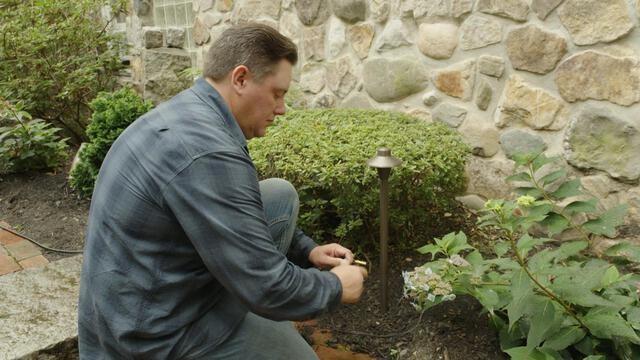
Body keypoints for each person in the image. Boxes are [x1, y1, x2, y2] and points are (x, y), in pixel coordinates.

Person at [78, 23, 367, 359]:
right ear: (240, 79)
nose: (282, 109)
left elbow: (242, 214)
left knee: (278, 195)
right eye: (278, 93)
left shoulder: (192, 112)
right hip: (153, 336)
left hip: (131, 302)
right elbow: (268, 287)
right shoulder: (208, 151)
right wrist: (335, 287)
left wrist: (307, 251)